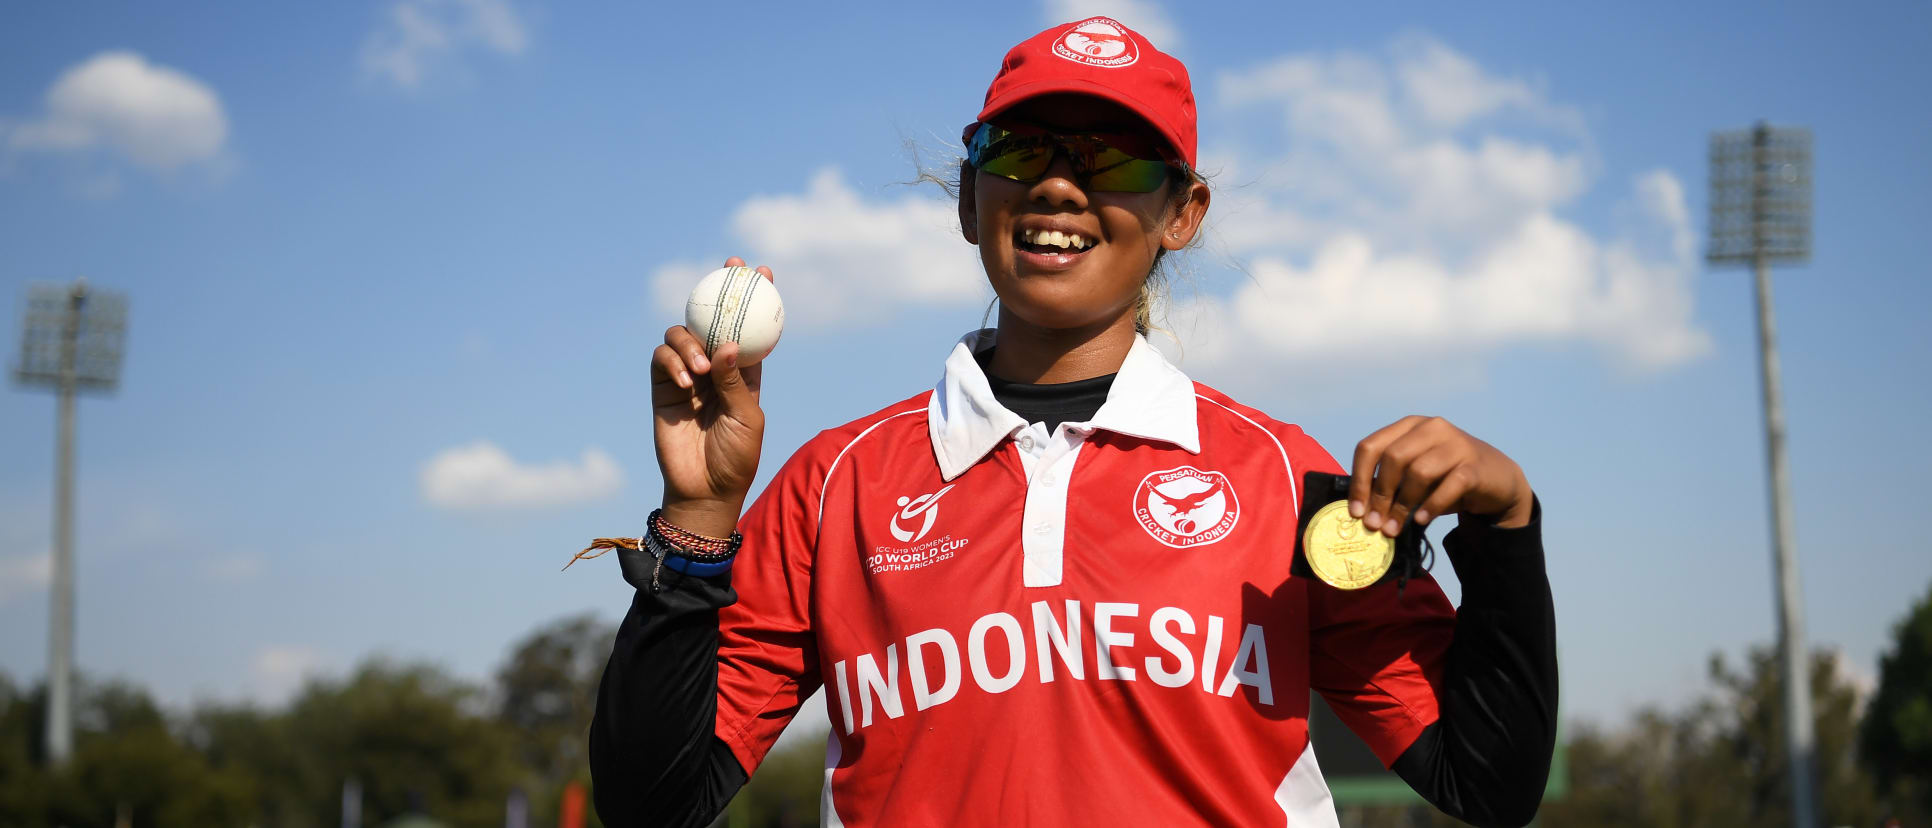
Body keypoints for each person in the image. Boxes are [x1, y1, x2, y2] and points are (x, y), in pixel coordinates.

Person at [590, 17, 1556, 828]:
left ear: (1183, 213)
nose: (1058, 185)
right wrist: (701, 518)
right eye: (1019, 152)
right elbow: (653, 805)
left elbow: (1486, 783)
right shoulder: (836, 483)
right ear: (972, 197)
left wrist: (1504, 526)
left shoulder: (1278, 475)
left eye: (1113, 160)